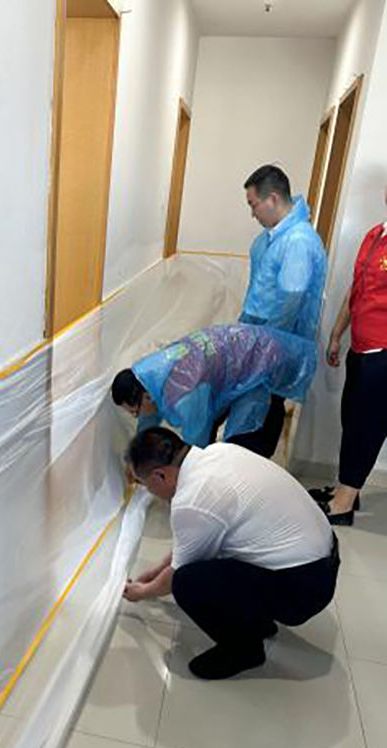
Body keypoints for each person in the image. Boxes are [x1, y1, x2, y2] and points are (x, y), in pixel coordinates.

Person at [123, 427, 339, 680]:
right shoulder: (220, 451)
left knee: (187, 582)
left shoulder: (191, 498)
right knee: (218, 558)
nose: (148, 491)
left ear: (160, 475)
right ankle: (257, 621)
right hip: (324, 564)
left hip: (304, 589)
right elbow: (193, 540)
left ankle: (244, 651)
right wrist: (155, 571)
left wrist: (141, 592)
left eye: (144, 484)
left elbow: (176, 573)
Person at [111, 323, 317, 454]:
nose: (136, 416)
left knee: (246, 441)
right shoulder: (151, 373)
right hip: (246, 352)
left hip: (265, 363)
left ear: (146, 397)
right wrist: (135, 454)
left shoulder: (184, 393)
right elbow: (148, 421)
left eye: (134, 412)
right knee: (222, 426)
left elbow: (196, 444)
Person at [235, 165, 328, 453]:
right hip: (259, 340)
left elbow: (290, 303)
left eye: (253, 205)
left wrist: (262, 351)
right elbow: (258, 295)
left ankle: (251, 472)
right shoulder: (271, 238)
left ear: (273, 198)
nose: (252, 214)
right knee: (248, 413)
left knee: (261, 418)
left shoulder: (298, 241)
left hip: (274, 347)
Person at [309, 190, 387, 525]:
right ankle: (346, 490)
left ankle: (343, 505)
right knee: (352, 421)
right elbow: (356, 289)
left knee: (367, 427)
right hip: (360, 347)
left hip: (383, 352)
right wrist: (337, 334)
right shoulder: (375, 235)